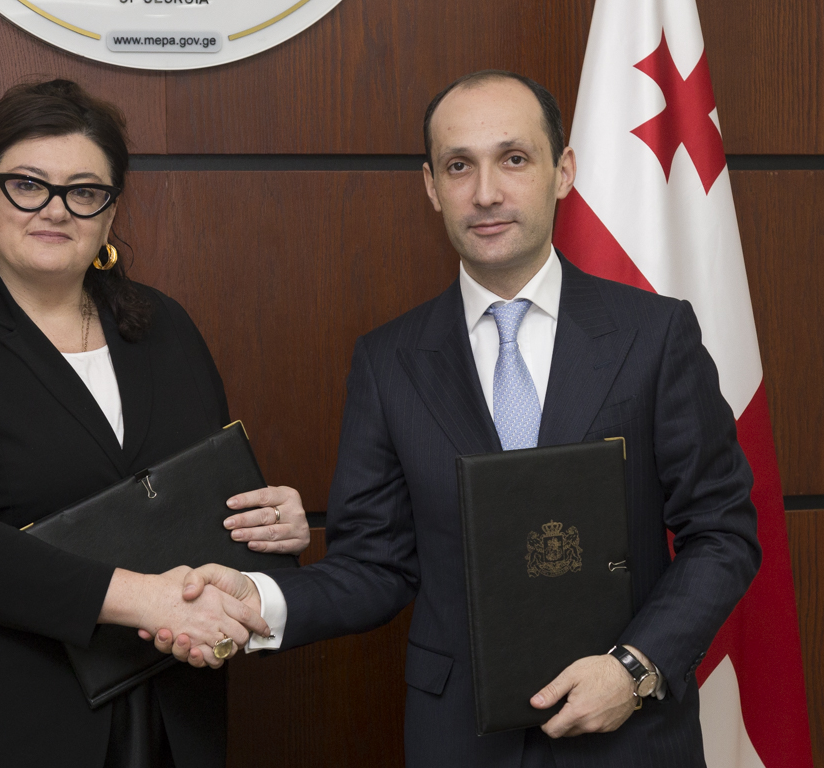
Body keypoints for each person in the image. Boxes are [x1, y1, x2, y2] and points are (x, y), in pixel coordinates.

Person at [171, 71, 762, 766]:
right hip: (458, 741)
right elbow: (373, 565)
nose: (485, 192)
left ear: (563, 171)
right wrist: (259, 599)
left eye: (513, 158)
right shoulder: (387, 362)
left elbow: (721, 532)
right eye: (459, 166)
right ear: (430, 186)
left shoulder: (654, 335)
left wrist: (634, 668)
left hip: (631, 740)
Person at [0, 79, 309, 768]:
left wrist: (268, 528)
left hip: (164, 707)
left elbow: (195, 491)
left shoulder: (163, 327)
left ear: (110, 212)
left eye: (85, 191)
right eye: (28, 185)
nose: (55, 209)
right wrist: (142, 598)